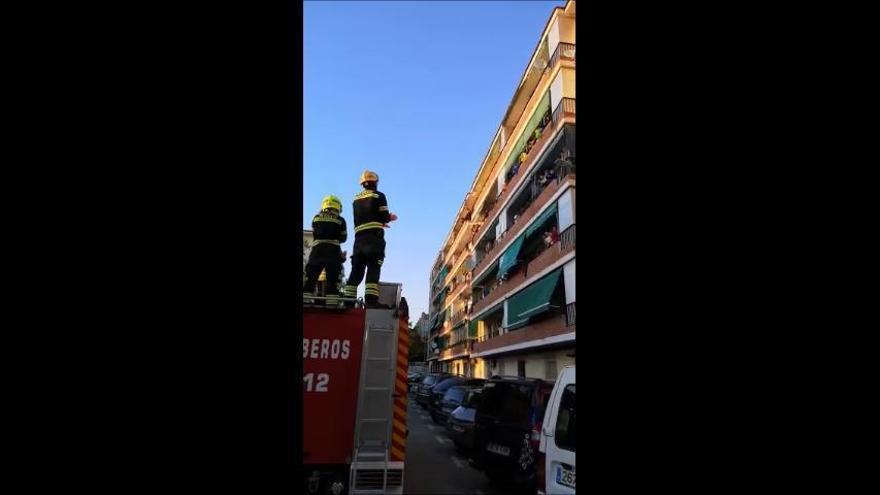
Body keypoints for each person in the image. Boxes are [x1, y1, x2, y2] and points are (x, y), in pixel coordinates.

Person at [343, 170, 398, 308]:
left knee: (356, 270)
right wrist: (389, 218)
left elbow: (364, 217)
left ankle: (348, 300)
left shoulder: (355, 199)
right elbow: (384, 216)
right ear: (375, 182)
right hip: (374, 239)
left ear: (363, 184)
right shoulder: (379, 195)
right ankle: (371, 301)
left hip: (359, 240)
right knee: (373, 268)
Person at [303, 195, 347, 306]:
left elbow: (314, 233)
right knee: (332, 279)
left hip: (317, 251)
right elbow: (343, 238)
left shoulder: (316, 218)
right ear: (337, 206)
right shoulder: (340, 220)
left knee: (311, 278)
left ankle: (305, 302)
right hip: (333, 252)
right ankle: (331, 304)